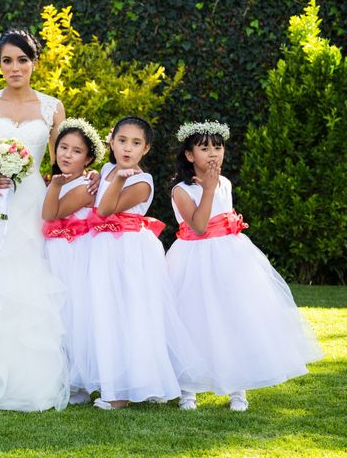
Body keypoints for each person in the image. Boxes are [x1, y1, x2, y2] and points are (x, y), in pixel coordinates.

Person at [166, 120, 324, 411]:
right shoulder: (181, 190)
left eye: (218, 146)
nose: (213, 153)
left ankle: (237, 389)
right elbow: (199, 226)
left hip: (230, 258)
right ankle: (188, 390)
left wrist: (216, 188)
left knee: (234, 317)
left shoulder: (225, 183)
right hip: (193, 260)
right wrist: (209, 188)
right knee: (192, 318)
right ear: (190, 156)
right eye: (204, 148)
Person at [0, 28, 70, 411]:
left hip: (33, 200)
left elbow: (60, 163)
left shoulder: (52, 107)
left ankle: (33, 374)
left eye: (22, 60)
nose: (15, 67)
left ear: (34, 63)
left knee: (32, 271)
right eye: (7, 60)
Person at [86, 117, 206, 410]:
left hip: (131, 251)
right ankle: (119, 381)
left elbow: (104, 208)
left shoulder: (142, 181)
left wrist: (117, 179)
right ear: (110, 141)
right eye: (122, 140)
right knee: (109, 314)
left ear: (146, 149)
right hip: (104, 248)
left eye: (136, 143)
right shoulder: (105, 170)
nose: (127, 148)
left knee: (135, 315)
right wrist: (98, 176)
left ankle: (123, 393)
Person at [41, 118, 104, 405]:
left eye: (76, 151)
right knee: (58, 313)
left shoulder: (84, 187)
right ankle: (64, 374)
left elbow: (51, 213)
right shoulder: (63, 180)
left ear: (88, 158)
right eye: (63, 147)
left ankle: (81, 380)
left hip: (74, 253)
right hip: (55, 251)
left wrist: (53, 187)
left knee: (76, 312)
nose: (67, 155)